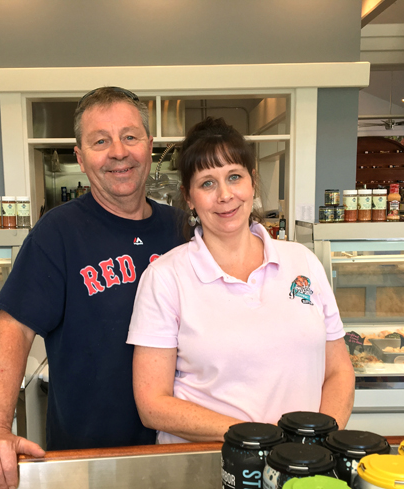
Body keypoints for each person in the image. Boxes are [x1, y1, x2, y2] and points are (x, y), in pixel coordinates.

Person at [0, 87, 185, 489]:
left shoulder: (183, 230)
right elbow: (13, 330)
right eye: (100, 141)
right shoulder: (58, 233)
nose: (119, 152)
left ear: (149, 146)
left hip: (181, 451)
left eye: (130, 136)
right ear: (80, 157)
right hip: (88, 460)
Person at [127, 117, 355, 443]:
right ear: (188, 197)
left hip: (302, 466)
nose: (225, 195)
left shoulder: (302, 261)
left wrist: (316, 438)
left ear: (252, 182)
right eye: (207, 183)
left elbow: (338, 371)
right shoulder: (165, 278)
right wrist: (258, 438)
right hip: (207, 468)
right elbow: (153, 405)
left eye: (234, 177)